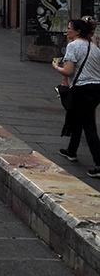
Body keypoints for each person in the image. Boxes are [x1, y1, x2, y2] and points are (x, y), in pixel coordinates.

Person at [52, 18, 100, 177]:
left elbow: (68, 71)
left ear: (77, 31)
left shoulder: (73, 46)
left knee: (89, 126)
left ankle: (99, 164)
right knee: (78, 119)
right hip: (96, 88)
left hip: (82, 89)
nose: (67, 31)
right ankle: (71, 151)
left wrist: (56, 67)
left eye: (69, 28)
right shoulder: (93, 46)